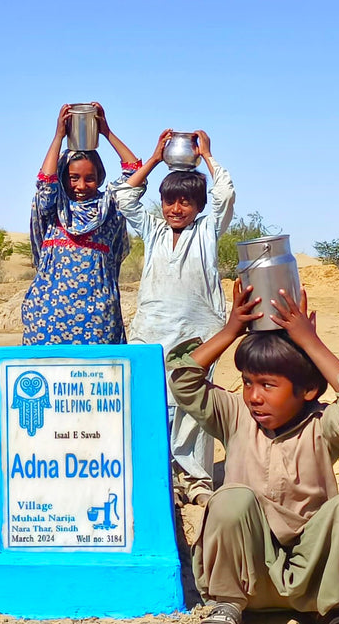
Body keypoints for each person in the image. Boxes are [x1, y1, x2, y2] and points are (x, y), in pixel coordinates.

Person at [168, 281, 339, 624]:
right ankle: (225, 605)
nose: (253, 396)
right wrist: (232, 329)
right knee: (230, 499)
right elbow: (184, 381)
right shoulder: (234, 415)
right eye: (248, 382)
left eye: (267, 385)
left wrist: (308, 340)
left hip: (308, 584)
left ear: (308, 390)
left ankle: (329, 609)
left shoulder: (323, 427)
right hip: (248, 581)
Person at [114, 128, 235, 506]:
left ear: (197, 206)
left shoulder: (207, 230)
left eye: (185, 202)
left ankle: (196, 478)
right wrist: (153, 159)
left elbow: (225, 194)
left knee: (192, 403)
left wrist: (208, 156)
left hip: (200, 331)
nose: (176, 209)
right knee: (149, 399)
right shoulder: (154, 229)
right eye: (170, 201)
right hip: (151, 328)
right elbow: (124, 197)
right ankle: (157, 471)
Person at [22, 102, 140, 345]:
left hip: (99, 320)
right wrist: (58, 137)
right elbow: (45, 183)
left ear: (100, 179)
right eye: (73, 177)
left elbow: (134, 173)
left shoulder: (109, 208)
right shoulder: (53, 209)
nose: (81, 186)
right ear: (63, 177)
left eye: (90, 179)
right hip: (48, 319)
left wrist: (106, 132)